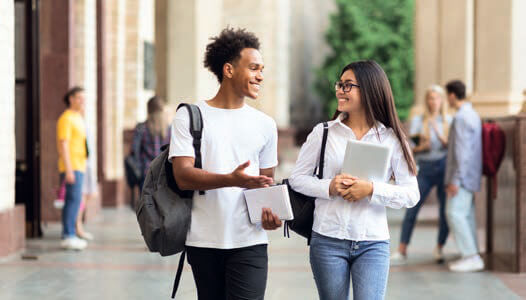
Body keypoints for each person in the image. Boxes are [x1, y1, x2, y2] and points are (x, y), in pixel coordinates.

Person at [289, 60, 419, 300]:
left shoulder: (392, 138)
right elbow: (297, 179)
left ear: (369, 89)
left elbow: (412, 194)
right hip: (327, 239)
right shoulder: (324, 132)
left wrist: (371, 189)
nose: (340, 90)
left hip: (373, 241)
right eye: (339, 84)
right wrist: (329, 186)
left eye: (348, 85)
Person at [168, 27, 282, 300]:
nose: (260, 76)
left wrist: (271, 215)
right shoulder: (189, 116)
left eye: (262, 69)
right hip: (203, 240)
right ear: (229, 70)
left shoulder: (265, 125)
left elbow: (265, 185)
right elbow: (183, 175)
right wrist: (232, 180)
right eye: (254, 68)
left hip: (250, 241)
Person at [391, 85, 452, 265]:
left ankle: (439, 247)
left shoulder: (449, 120)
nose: (433, 101)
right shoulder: (418, 120)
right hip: (424, 167)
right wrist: (421, 147)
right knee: (412, 208)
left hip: (443, 167)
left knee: (444, 211)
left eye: (437, 98)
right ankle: (402, 249)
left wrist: (440, 136)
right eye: (430, 98)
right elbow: (412, 147)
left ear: (442, 101)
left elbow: (452, 147)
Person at [444, 80, 483, 272]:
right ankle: (471, 254)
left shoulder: (460, 118)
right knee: (465, 215)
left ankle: (471, 256)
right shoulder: (473, 114)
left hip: (463, 177)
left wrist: (455, 180)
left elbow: (461, 152)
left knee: (454, 213)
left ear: (452, 95)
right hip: (471, 175)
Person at [57, 86, 88, 250]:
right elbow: (64, 144)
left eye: (84, 98)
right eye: (79, 98)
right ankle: (68, 234)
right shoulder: (66, 118)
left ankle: (70, 234)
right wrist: (68, 169)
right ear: (71, 98)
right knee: (72, 201)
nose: (83, 101)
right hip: (72, 166)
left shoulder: (77, 117)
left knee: (75, 201)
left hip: (79, 165)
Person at [131, 96, 171, 192]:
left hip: (146, 173)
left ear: (148, 109)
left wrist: (138, 168)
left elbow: (134, 150)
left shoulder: (141, 128)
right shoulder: (170, 129)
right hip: (165, 174)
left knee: (146, 204)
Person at [76, 105, 96, 241]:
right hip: (80, 165)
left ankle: (78, 225)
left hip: (87, 164)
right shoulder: (72, 121)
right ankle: (77, 226)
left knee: (88, 195)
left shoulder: (83, 122)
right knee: (80, 197)